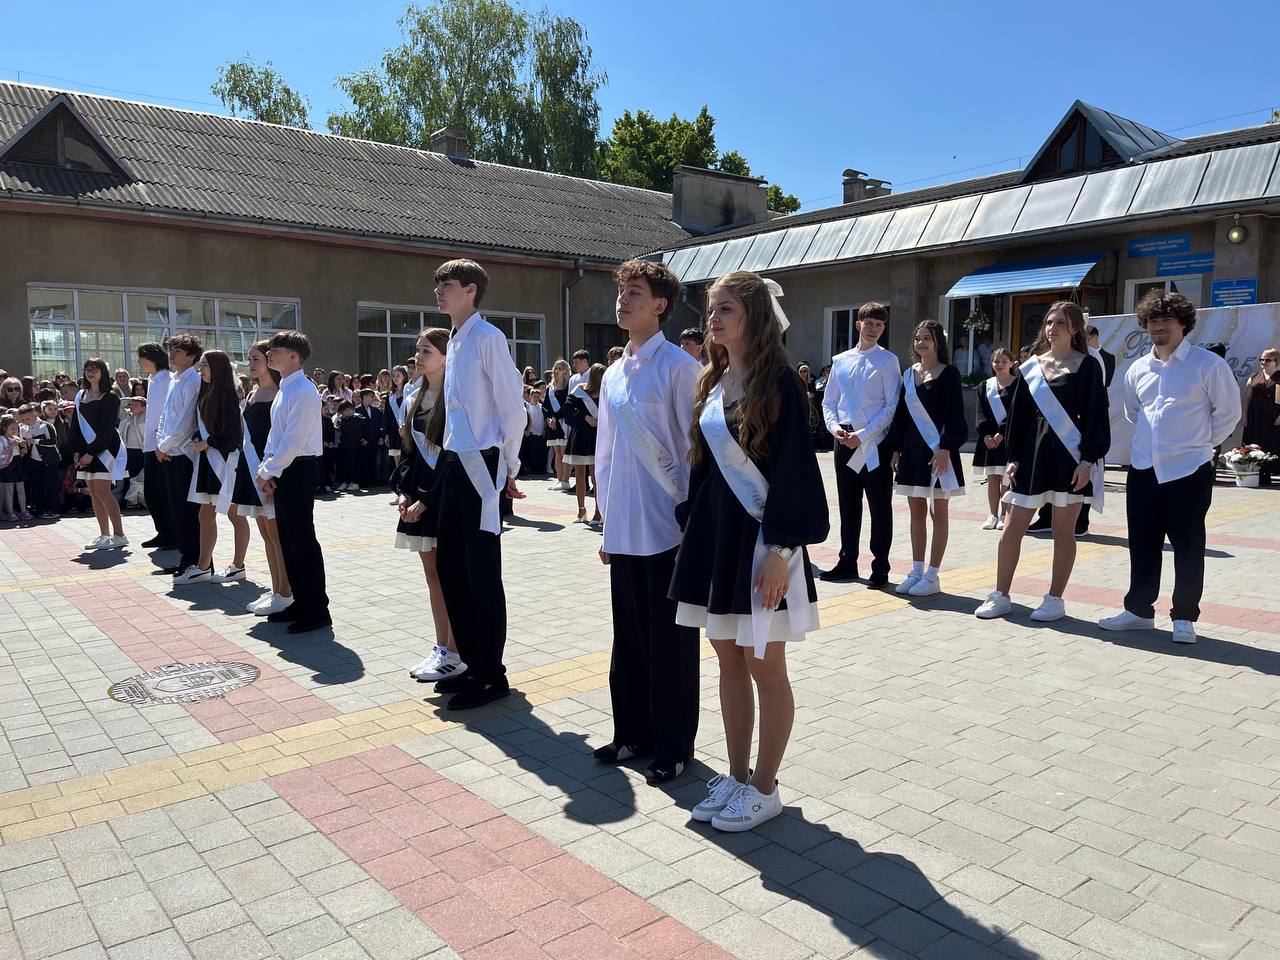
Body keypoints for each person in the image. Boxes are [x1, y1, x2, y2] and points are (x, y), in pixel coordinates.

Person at [672, 271, 828, 831]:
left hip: (764, 542)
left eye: (726, 310)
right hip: (718, 542)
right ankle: (736, 776)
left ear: (755, 317)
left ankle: (766, 787)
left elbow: (795, 473)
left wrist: (783, 553)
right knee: (727, 657)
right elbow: (702, 471)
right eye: (711, 311)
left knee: (765, 663)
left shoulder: (782, 383)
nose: (713, 320)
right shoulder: (710, 386)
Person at [593, 258, 701, 785]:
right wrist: (607, 524)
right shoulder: (613, 372)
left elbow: (694, 453)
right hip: (626, 528)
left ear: (659, 304)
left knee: (671, 642)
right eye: (621, 292)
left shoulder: (681, 368)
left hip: (668, 529)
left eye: (634, 292)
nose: (623, 300)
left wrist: (691, 529)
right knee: (629, 636)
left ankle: (673, 744)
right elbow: (607, 453)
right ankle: (631, 732)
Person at [1100, 292, 1240, 644]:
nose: (1158, 328)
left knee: (1188, 544)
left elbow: (1228, 414)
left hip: (1189, 468)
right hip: (1145, 467)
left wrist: (1200, 444)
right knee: (1142, 543)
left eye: (1166, 321)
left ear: (1183, 324)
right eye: (1152, 321)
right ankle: (1138, 611)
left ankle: (1184, 617)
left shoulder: (1207, 365)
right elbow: (1134, 412)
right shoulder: (1137, 369)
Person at [975, 304, 1110, 621]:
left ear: (1075, 327)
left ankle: (1054, 599)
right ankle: (1001, 595)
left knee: (1064, 531)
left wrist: (1088, 460)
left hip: (1069, 459)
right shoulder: (1032, 367)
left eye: (1061, 322)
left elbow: (1096, 418)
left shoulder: (1088, 366)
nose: (1053, 327)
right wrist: (1014, 458)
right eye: (1049, 322)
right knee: (1011, 528)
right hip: (1033, 459)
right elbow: (1019, 417)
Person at [432, 259, 526, 709]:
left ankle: (491, 673)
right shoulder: (454, 339)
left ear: (471, 290)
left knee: (481, 572)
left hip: (482, 464)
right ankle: (471, 661)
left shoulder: (488, 338)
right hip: (455, 461)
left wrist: (509, 465)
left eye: (446, 284)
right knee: (451, 566)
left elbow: (512, 407)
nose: (438, 291)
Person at [397, 327, 465, 683]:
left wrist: (426, 500)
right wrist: (404, 494)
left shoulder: (456, 397)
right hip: (419, 499)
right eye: (418, 350)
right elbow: (410, 456)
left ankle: (456, 651)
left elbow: (452, 460)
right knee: (432, 576)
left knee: (450, 577)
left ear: (445, 356)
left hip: (445, 499)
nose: (418, 357)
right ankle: (442, 647)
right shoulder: (413, 398)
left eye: (426, 351)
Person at [820, 301, 901, 586]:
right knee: (848, 505)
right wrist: (834, 429)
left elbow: (891, 406)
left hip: (873, 444)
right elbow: (829, 402)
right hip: (844, 441)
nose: (874, 329)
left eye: (880, 325)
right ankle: (847, 561)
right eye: (870, 324)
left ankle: (880, 566)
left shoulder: (888, 360)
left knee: (880, 507)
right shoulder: (840, 360)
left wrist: (863, 435)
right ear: (859, 325)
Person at [886, 321, 966, 597]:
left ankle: (933, 574)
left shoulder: (949, 374)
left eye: (927, 338)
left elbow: (956, 415)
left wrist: (946, 448)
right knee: (916, 512)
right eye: (917, 338)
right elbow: (901, 416)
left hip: (939, 452)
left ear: (937, 342)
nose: (921, 343)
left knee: (938, 512)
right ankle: (917, 570)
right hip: (912, 452)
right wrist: (895, 449)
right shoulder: (908, 375)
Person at [257, 331, 330, 634]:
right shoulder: (286, 388)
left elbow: (294, 441)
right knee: (288, 539)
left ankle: (317, 610)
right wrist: (269, 469)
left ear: (294, 356)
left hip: (299, 468)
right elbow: (276, 438)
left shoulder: (302, 390)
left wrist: (268, 470)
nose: (270, 354)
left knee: (302, 541)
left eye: (277, 350)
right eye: (270, 350)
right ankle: (301, 601)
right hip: (286, 468)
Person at [234, 341, 293, 616]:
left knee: (277, 534)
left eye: (256, 357)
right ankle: (276, 587)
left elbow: (280, 438)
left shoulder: (279, 393)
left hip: (271, 473)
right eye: (250, 358)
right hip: (253, 470)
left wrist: (271, 472)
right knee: (265, 533)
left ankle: (286, 591)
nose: (252, 362)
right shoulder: (253, 394)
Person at [176, 350, 243, 585]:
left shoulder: (228, 394)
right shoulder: (205, 392)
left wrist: (209, 441)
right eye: (201, 365)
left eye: (205, 365)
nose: (200, 369)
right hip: (207, 461)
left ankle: (238, 565)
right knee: (205, 515)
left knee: (236, 514)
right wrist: (198, 436)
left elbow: (234, 434)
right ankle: (204, 567)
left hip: (224, 462)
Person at [156, 335, 203, 574]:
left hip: (184, 454)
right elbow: (165, 416)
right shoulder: (175, 379)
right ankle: (187, 557)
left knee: (188, 512)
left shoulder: (193, 381)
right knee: (176, 510)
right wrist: (160, 444)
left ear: (192, 357)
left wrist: (163, 447)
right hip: (169, 452)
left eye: (178, 351)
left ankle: (196, 561)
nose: (172, 354)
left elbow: (186, 422)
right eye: (171, 350)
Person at [70, 358, 127, 550]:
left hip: (104, 451)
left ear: (103, 372)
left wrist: (92, 453)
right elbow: (75, 427)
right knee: (93, 493)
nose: (90, 372)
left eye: (94, 369)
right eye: (87, 369)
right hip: (86, 452)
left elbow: (106, 428)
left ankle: (119, 535)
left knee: (103, 491)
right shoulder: (81, 396)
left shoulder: (110, 396)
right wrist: (77, 451)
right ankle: (104, 535)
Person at [135, 343, 175, 550]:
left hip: (162, 444)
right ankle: (163, 531)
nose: (140, 362)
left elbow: (166, 414)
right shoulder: (153, 380)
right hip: (151, 443)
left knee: (163, 492)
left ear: (153, 358)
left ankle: (172, 533)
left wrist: (162, 443)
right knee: (152, 492)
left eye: (142, 357)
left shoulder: (167, 380)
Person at [974, 347, 1018, 530]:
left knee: (1007, 478)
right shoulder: (985, 386)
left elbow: (1019, 413)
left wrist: (1003, 432)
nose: (999, 365)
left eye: (1003, 361)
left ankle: (1003, 514)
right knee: (993, 477)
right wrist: (985, 434)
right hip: (990, 441)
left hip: (1009, 438)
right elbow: (980, 412)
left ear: (1011, 363)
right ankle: (992, 514)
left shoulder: (1019, 385)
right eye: (996, 361)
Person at [563, 363, 604, 525]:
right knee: (579, 474)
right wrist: (585, 418)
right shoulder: (580, 391)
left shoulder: (606, 393)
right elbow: (567, 412)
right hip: (580, 436)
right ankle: (581, 510)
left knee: (596, 475)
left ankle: (598, 511)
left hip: (597, 437)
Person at [1242, 347, 1280, 485]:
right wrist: (1244, 415)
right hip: (1255, 417)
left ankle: (1268, 473)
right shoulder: (1254, 377)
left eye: (1267, 360)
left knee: (1271, 444)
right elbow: (1247, 398)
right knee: (1253, 443)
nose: (1263, 362)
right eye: (1261, 359)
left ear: (1276, 361)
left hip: (1272, 418)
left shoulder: (1279, 378)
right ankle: (1253, 473)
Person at [20, 404, 60, 518]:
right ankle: (40, 510)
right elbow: (25, 446)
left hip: (49, 461)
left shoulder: (46, 426)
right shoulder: (23, 429)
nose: (25, 421)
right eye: (22, 419)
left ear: (35, 414)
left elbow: (53, 442)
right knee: (37, 487)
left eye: (27, 419)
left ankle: (54, 510)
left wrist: (35, 441)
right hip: (34, 462)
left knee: (51, 486)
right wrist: (23, 446)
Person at [542, 359, 571, 490]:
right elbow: (545, 406)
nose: (557, 371)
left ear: (566, 371)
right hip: (553, 424)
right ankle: (559, 479)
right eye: (556, 368)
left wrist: (556, 417)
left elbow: (567, 405)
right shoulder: (550, 388)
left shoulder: (568, 387)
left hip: (563, 422)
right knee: (557, 452)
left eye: (560, 368)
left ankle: (566, 480)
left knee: (564, 453)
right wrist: (548, 418)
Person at [0, 414, 30, 522]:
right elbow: (2, 454)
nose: (15, 431)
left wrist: (23, 450)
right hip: (8, 465)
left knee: (21, 488)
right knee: (9, 490)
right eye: (12, 428)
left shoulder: (17, 438)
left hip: (18, 463)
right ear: (5, 428)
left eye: (16, 428)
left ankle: (23, 510)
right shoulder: (2, 439)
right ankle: (10, 511)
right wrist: (13, 445)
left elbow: (21, 453)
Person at [385, 366, 409, 475]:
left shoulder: (409, 392)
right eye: (393, 376)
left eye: (398, 375)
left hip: (406, 428)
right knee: (396, 458)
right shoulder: (390, 396)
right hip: (394, 429)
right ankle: (399, 482)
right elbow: (387, 416)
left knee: (407, 456)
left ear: (404, 376)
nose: (395, 378)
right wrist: (386, 434)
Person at [334, 401, 362, 492]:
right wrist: (338, 421)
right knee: (344, 464)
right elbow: (338, 428)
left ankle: (355, 482)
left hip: (353, 446)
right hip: (343, 445)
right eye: (347, 410)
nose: (350, 411)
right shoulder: (342, 419)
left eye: (351, 409)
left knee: (351, 464)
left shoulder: (355, 419)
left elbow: (348, 429)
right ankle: (346, 481)